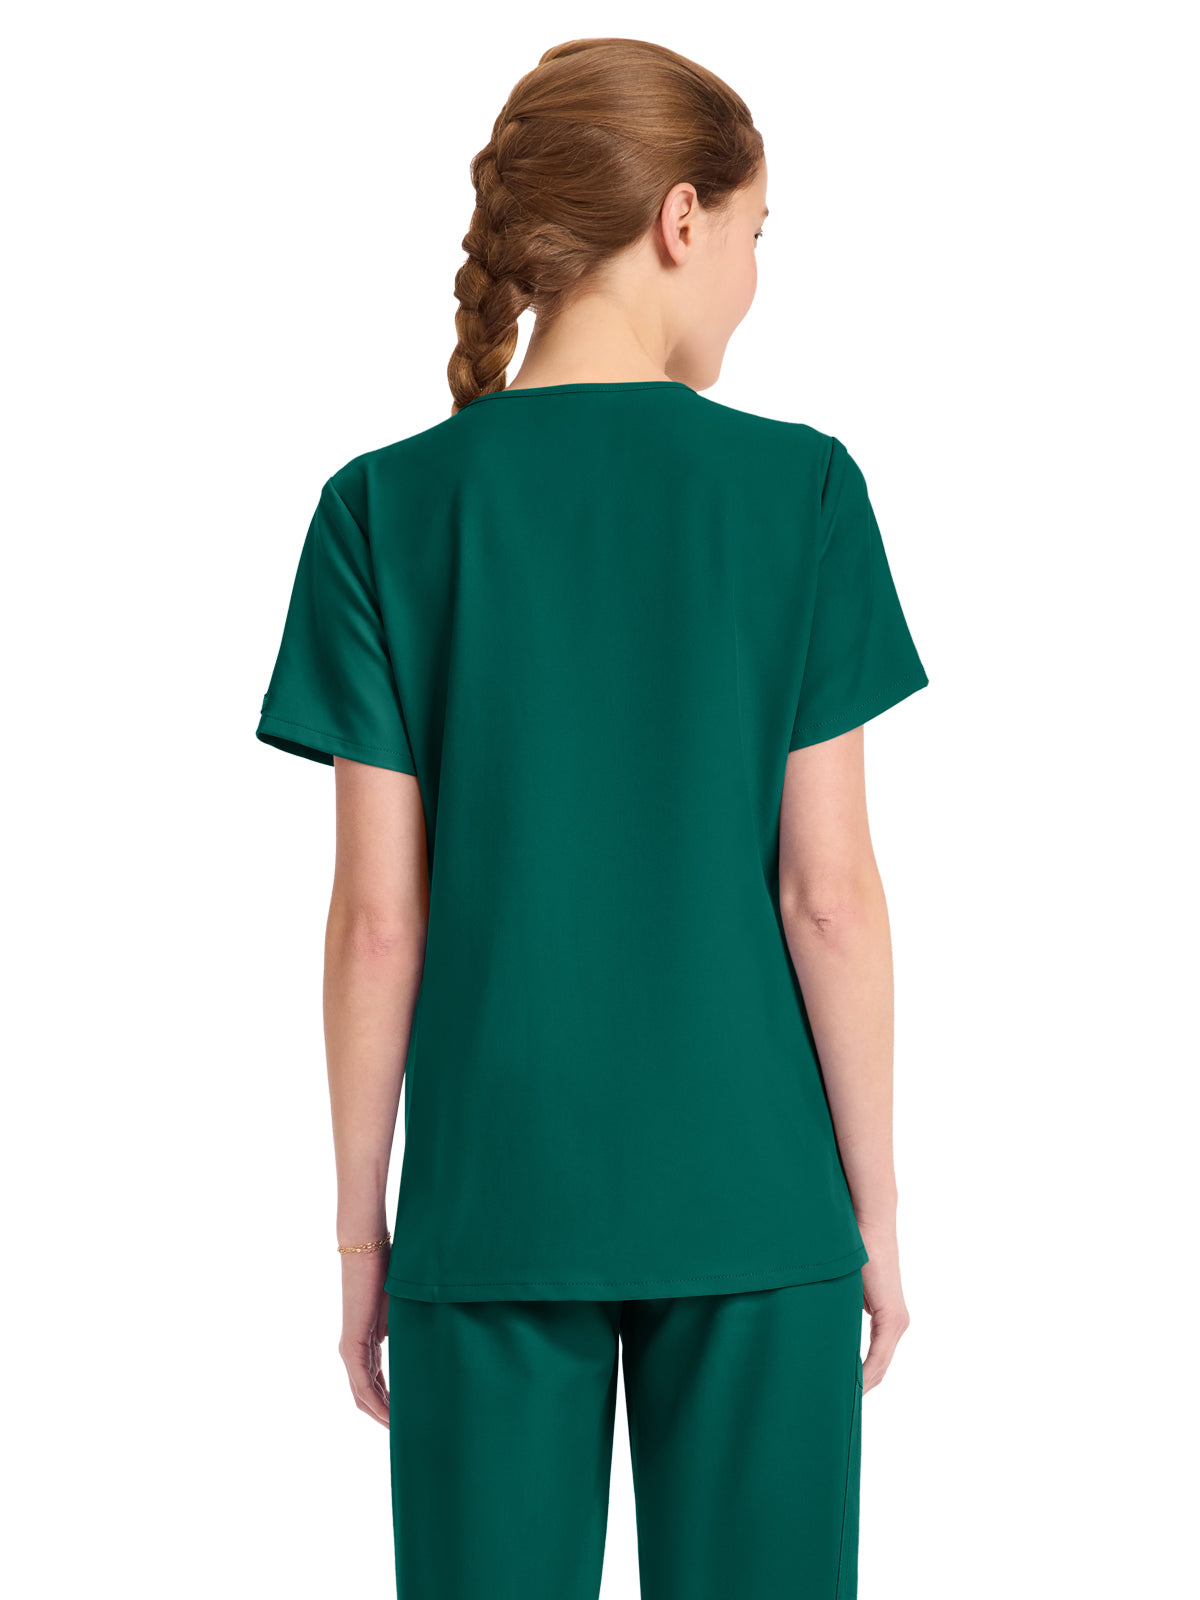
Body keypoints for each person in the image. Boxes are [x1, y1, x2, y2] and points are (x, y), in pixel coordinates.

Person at [255, 36, 929, 1600]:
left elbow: (379, 924)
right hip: (758, 1201)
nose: (754, 280)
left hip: (491, 1209)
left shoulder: (380, 510)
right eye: (757, 235)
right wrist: (876, 1212)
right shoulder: (802, 492)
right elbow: (827, 896)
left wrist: (363, 1238)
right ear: (682, 220)